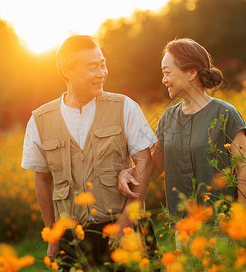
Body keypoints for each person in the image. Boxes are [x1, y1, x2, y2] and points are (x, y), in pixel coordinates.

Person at [21, 35, 156, 270]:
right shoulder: (40, 120)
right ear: (67, 71)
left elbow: (145, 163)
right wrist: (53, 233)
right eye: (92, 67)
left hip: (124, 227)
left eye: (102, 64)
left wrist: (125, 224)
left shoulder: (125, 107)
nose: (101, 72)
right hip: (72, 237)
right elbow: (42, 178)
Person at [119, 38, 246, 217]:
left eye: (167, 72)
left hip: (224, 227)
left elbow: (244, 172)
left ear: (191, 72)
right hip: (184, 227)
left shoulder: (226, 115)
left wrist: (243, 223)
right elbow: (153, 168)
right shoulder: (168, 119)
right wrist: (127, 173)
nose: (164, 80)